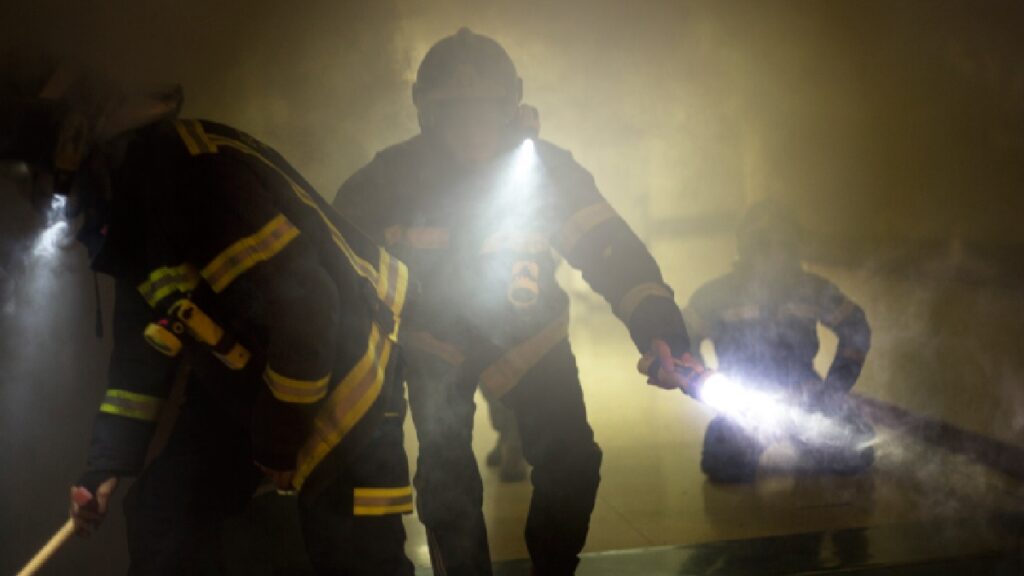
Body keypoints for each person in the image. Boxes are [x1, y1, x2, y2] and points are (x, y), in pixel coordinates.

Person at [0, 55, 415, 574]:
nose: (33, 194)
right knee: (163, 512)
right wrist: (102, 469)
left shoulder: (192, 178)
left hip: (350, 377)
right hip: (259, 381)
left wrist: (278, 443)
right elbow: (142, 355)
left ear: (73, 143)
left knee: (357, 554)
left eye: (35, 174)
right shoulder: (132, 208)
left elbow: (308, 311)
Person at [333, 28, 700, 575]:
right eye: (455, 109)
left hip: (532, 339)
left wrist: (658, 327)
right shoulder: (385, 181)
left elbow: (610, 251)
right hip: (437, 345)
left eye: (487, 108)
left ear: (514, 102)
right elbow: (338, 278)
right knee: (446, 477)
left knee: (573, 464)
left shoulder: (548, 170)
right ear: (423, 109)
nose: (473, 125)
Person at [684, 200, 875, 483]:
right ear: (746, 246)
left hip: (806, 399)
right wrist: (704, 385)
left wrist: (834, 388)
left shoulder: (812, 289)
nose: (774, 254)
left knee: (855, 453)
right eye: (763, 244)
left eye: (784, 244)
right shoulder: (716, 295)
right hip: (744, 407)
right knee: (725, 467)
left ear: (796, 247)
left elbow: (855, 326)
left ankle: (811, 444)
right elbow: (682, 343)